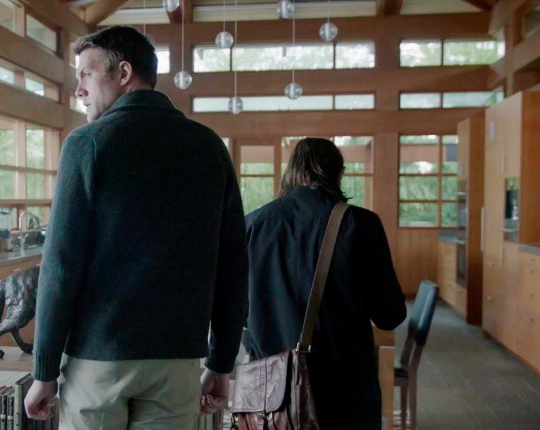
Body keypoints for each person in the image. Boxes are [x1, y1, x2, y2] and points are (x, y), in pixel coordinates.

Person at [24, 25, 248, 429]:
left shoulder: (87, 144)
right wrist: (221, 362)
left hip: (98, 360)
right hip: (177, 361)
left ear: (123, 73)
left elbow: (60, 266)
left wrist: (45, 371)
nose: (79, 89)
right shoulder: (208, 146)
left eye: (86, 74)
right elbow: (233, 265)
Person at [244, 137, 407, 429]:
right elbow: (389, 315)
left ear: (292, 171)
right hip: (345, 392)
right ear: (338, 173)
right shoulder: (361, 224)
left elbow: (234, 309)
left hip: (272, 395)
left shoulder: (253, 224)